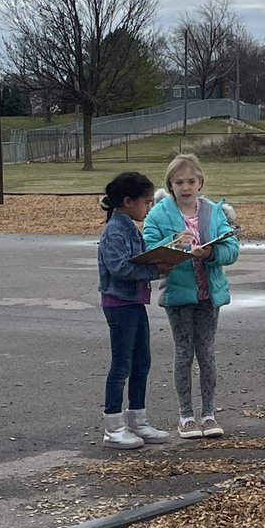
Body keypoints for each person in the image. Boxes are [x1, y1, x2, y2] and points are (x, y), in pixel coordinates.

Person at [144, 153, 239, 440]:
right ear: (170, 185)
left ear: (200, 182)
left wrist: (212, 253)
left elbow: (232, 248)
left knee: (207, 353)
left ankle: (209, 414)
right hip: (178, 294)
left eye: (191, 181)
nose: (185, 187)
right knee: (184, 354)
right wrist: (177, 245)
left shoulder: (214, 211)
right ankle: (186, 416)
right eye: (179, 182)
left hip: (209, 294)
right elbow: (149, 250)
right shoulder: (159, 214)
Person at [97, 171, 172, 450]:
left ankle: (137, 421)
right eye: (147, 202)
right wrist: (156, 269)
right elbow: (119, 268)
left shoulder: (128, 226)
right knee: (122, 366)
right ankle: (113, 427)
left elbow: (139, 257)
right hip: (119, 304)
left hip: (134, 302)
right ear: (128, 202)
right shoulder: (115, 230)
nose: (149, 207)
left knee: (142, 362)